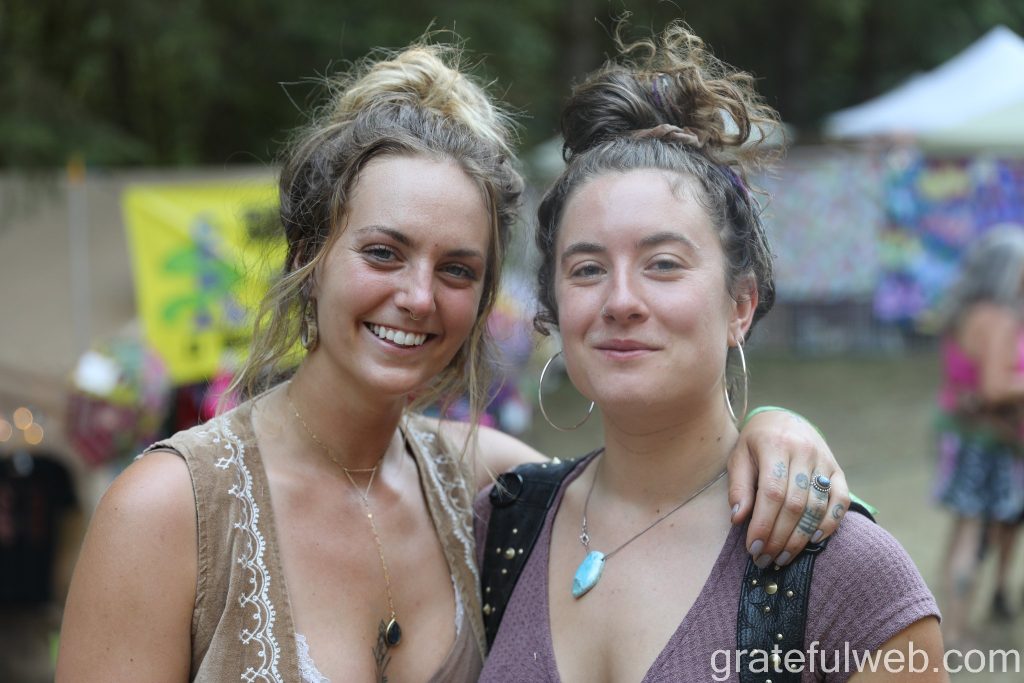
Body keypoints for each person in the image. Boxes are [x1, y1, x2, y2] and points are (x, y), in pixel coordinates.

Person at [56, 40, 850, 683]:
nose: (417, 296)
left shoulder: (486, 490)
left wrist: (774, 427)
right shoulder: (169, 511)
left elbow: (656, 480)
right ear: (309, 257)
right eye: (383, 252)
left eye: (457, 269)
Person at [476, 23, 944, 682]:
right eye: (587, 269)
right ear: (554, 305)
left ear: (741, 304)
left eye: (663, 263)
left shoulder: (849, 578)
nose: (620, 300)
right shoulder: (500, 527)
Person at [933, 227, 1024, 646]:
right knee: (973, 535)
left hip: (958, 433)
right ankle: (954, 632)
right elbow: (994, 388)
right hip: (985, 441)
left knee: (960, 533)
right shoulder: (1000, 319)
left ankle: (942, 623)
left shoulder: (964, 313)